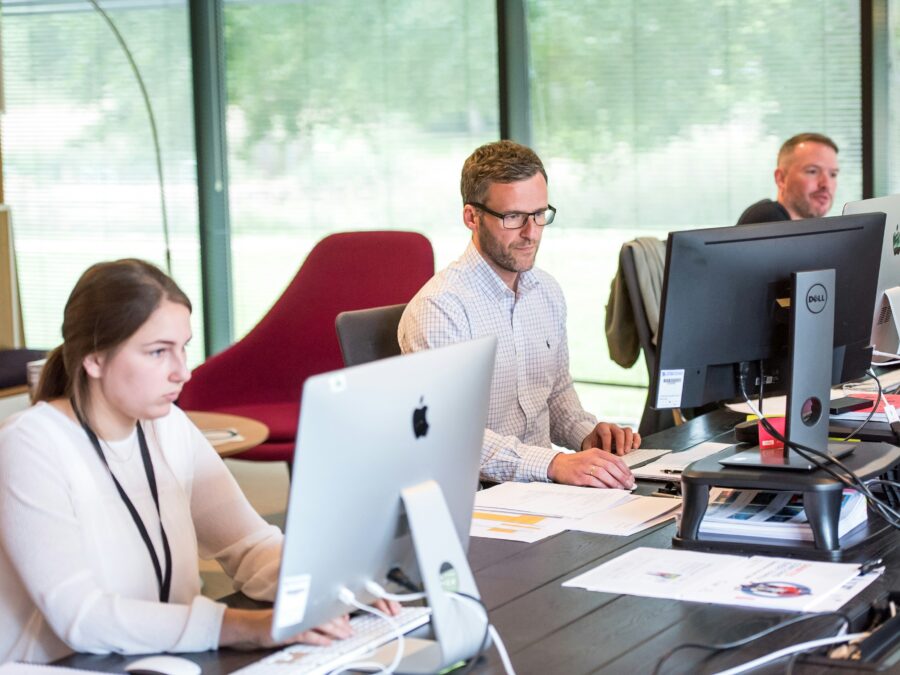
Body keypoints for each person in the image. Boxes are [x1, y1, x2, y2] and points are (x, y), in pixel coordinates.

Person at [0, 259, 396, 663]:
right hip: (66, 664)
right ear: (94, 359)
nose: (182, 372)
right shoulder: (30, 445)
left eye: (183, 348)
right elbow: (82, 617)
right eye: (157, 352)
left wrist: (334, 590)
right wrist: (247, 627)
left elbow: (249, 544)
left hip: (164, 659)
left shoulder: (168, 425)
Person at [399, 140, 640, 490]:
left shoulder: (546, 292)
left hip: (543, 492)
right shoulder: (441, 309)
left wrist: (588, 435)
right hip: (480, 500)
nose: (531, 233)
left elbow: (555, 394)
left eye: (540, 214)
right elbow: (450, 435)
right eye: (513, 217)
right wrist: (555, 463)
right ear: (472, 216)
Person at [736, 132, 839, 225]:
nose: (826, 184)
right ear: (781, 178)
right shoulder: (767, 219)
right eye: (812, 171)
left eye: (833, 174)